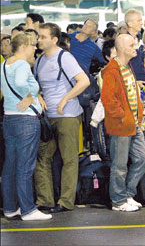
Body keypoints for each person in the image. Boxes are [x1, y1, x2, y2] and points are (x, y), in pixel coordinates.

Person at [34, 23, 90, 213]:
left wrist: (65, 98)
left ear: (54, 40)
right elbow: (36, 86)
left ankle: (65, 201)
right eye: (39, 36)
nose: (39, 40)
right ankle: (45, 200)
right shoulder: (40, 60)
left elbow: (84, 81)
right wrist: (40, 97)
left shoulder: (64, 58)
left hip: (67, 115)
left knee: (69, 159)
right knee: (43, 158)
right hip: (48, 117)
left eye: (43, 37)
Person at [0, 33, 52, 221]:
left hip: (10, 118)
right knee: (25, 166)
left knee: (10, 165)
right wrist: (30, 95)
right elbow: (22, 83)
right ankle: (28, 209)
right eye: (31, 45)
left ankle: (10, 207)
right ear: (22, 46)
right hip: (26, 120)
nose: (34, 49)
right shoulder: (22, 64)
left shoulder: (4, 64)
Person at [101, 34, 145, 212]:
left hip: (132, 123)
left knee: (142, 159)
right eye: (131, 45)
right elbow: (108, 99)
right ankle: (118, 200)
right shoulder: (112, 70)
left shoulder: (125, 67)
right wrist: (122, 116)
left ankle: (127, 194)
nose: (135, 47)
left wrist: (136, 114)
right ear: (121, 48)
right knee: (119, 165)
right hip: (121, 125)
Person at [124, 9, 145, 87]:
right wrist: (134, 81)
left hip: (143, 81)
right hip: (131, 84)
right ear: (130, 24)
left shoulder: (139, 39)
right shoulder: (124, 40)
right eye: (138, 21)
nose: (141, 23)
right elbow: (122, 64)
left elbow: (142, 58)